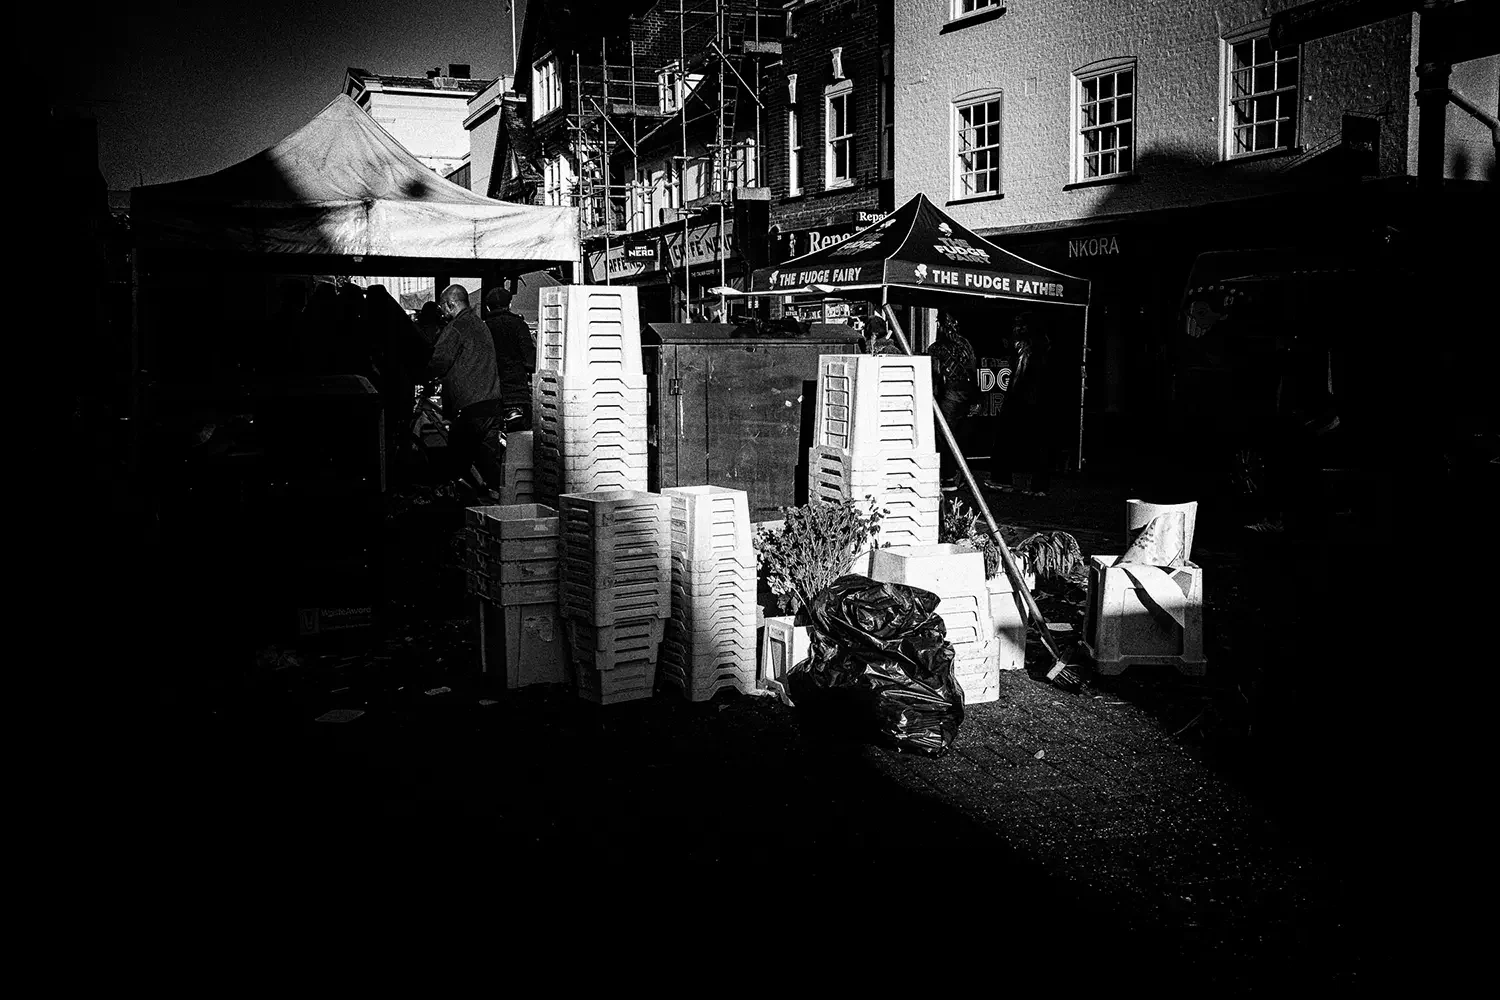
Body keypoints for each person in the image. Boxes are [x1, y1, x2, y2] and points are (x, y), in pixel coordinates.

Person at [427, 284, 505, 498]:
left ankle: (460, 510)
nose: (442, 312)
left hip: (470, 407)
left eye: (443, 307)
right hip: (492, 403)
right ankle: (500, 502)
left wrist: (423, 373)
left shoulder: (456, 328)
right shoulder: (480, 324)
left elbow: (438, 362)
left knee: (456, 463)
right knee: (488, 461)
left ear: (450, 305)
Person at [926, 312, 978, 490]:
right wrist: (975, 397)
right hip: (965, 393)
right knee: (962, 436)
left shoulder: (936, 348)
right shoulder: (966, 345)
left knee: (944, 436)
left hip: (946, 395)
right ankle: (963, 476)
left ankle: (948, 477)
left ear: (940, 325)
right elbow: (973, 370)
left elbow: (935, 375)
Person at [1005, 312, 1052, 495]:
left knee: (1034, 443)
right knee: (1036, 443)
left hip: (1032, 400)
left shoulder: (1032, 352)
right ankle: (1036, 486)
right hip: (1035, 400)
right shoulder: (1038, 350)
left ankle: (1035, 485)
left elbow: (1024, 378)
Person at [484, 287, 537, 428]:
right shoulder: (519, 325)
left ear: (488, 308)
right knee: (519, 439)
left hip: (491, 392)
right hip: (517, 392)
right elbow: (530, 360)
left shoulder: (483, 328)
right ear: (510, 305)